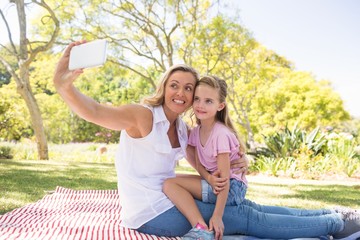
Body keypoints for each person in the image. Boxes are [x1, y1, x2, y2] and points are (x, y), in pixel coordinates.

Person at [54, 41, 360, 240]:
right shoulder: (142, 115)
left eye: (189, 89)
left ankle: (332, 214)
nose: (182, 93)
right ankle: (336, 225)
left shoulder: (183, 127)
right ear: (164, 87)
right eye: (175, 85)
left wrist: (226, 166)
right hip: (152, 212)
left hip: (174, 197)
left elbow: (198, 155)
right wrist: (64, 87)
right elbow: (94, 111)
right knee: (245, 217)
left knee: (249, 206)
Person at [163, 76, 249, 240]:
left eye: (208, 101)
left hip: (231, 189)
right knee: (171, 179)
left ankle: (201, 229)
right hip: (220, 184)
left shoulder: (220, 134)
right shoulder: (196, 132)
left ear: (220, 106)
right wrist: (208, 177)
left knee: (169, 184)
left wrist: (217, 216)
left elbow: (224, 180)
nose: (201, 105)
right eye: (197, 99)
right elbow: (198, 163)